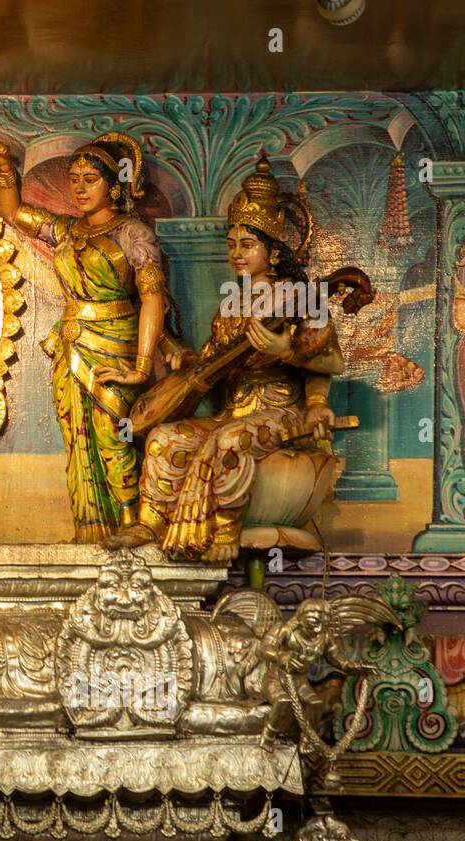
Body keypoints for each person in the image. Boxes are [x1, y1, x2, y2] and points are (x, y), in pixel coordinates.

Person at [105, 156, 345, 561]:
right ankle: (150, 521)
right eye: (231, 245)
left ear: (272, 252)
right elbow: (213, 362)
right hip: (232, 411)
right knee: (165, 438)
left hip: (281, 412)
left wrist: (290, 360)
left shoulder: (299, 297)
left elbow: (330, 362)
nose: (236, 254)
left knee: (228, 440)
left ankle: (224, 533)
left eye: (247, 245)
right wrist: (187, 363)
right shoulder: (231, 306)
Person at [0, 126, 173, 542]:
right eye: (73, 180)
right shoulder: (67, 230)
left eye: (90, 180)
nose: (79, 188)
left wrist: (142, 367)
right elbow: (12, 214)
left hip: (115, 346)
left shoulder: (132, 234)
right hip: (71, 347)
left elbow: (152, 298)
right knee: (78, 440)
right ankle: (90, 532)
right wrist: (4, 166)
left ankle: (135, 526)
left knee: (114, 435)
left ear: (114, 187)